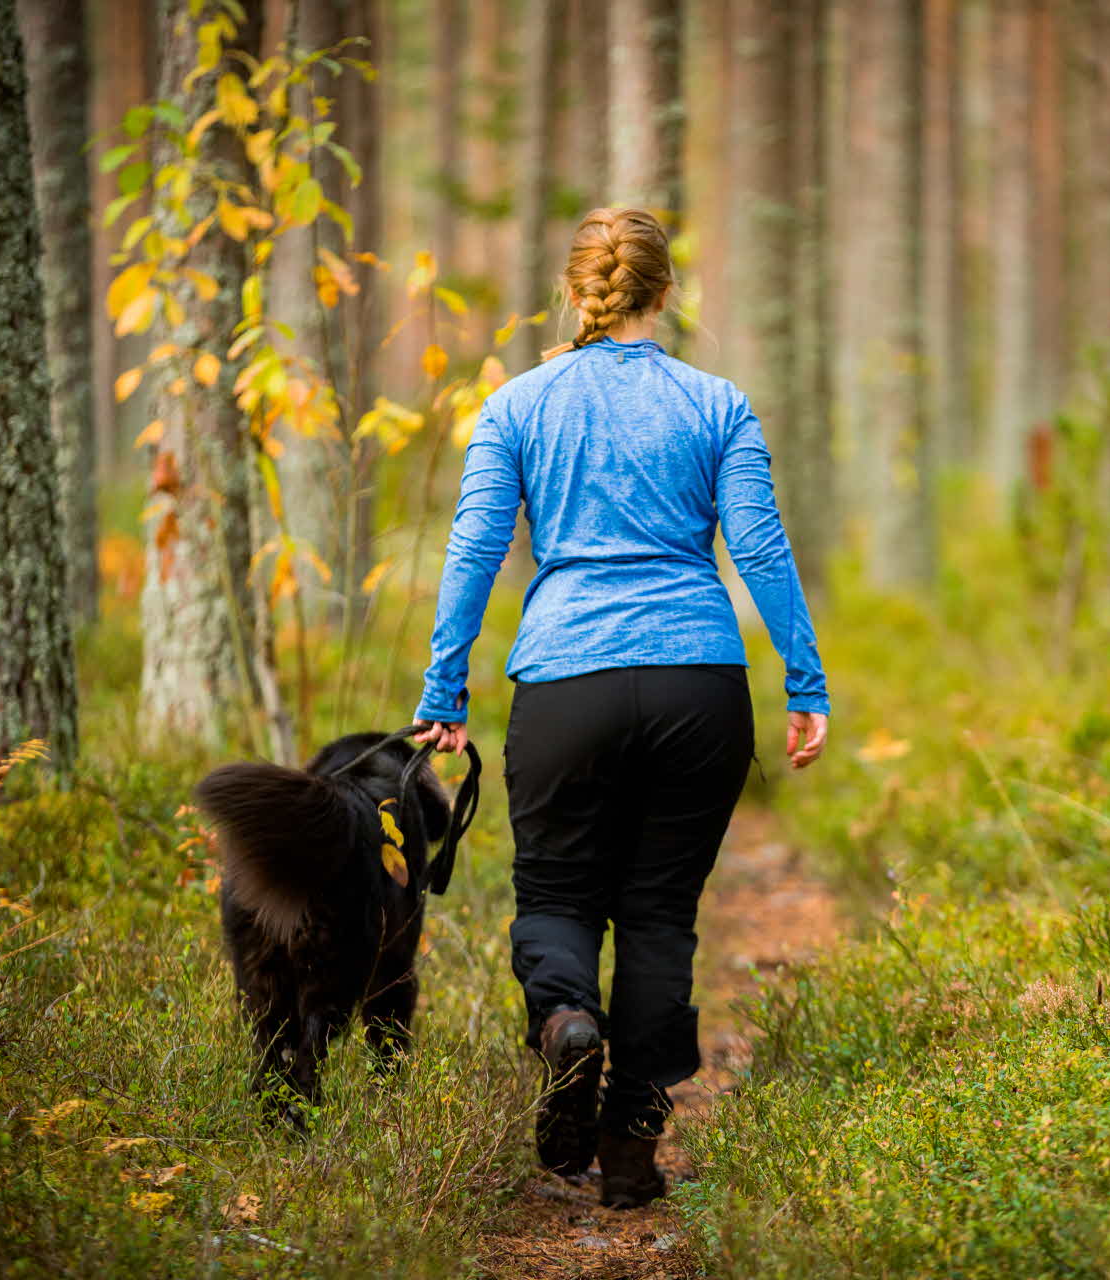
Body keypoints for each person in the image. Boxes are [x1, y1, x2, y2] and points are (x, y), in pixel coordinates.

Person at [411, 207, 830, 1209]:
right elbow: (761, 550)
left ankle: (564, 1018)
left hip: (567, 679)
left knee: (557, 892)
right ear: (666, 290)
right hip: (699, 683)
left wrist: (443, 687)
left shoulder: (516, 405)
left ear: (574, 292)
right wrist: (806, 682)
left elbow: (473, 548)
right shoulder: (719, 403)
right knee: (658, 913)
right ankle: (633, 1155)